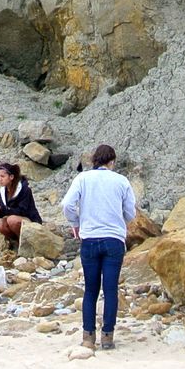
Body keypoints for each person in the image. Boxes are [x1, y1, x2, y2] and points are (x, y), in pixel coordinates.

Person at [59, 144, 137, 351]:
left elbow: (66, 204)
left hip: (90, 238)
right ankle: (108, 336)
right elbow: (131, 212)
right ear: (112, 161)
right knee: (110, 289)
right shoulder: (121, 181)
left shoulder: (82, 179)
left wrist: (76, 222)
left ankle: (88, 336)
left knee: (90, 290)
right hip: (113, 239)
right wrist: (119, 219)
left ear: (94, 160)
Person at [0, 161, 42, 247]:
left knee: (12, 220)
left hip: (30, 220)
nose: (0, 179)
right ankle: (17, 241)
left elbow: (22, 211)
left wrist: (2, 209)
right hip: (15, 219)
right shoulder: (2, 192)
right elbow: (4, 209)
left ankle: (26, 243)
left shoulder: (24, 190)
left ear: (11, 177)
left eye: (3, 176)